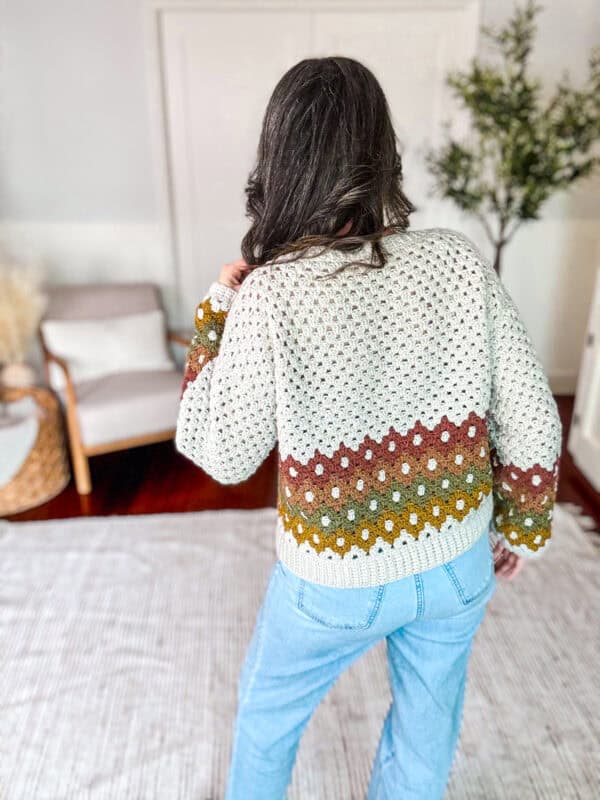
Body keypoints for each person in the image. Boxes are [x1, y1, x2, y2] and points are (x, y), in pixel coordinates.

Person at [175, 56, 562, 800]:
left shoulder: (269, 294)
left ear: (278, 158)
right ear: (382, 152)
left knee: (266, 721)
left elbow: (220, 452)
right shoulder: (456, 261)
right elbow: (534, 416)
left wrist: (217, 313)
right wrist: (521, 526)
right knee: (427, 729)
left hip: (332, 579)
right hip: (456, 562)